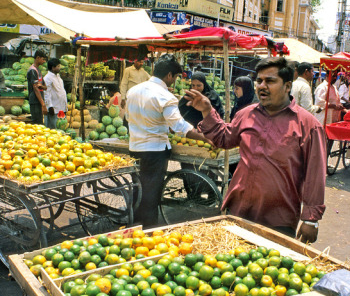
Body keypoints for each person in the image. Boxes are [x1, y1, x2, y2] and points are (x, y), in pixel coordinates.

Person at [184, 57, 327, 243]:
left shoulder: (308, 125)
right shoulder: (246, 114)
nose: (262, 86)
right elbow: (224, 138)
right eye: (259, 81)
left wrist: (311, 219)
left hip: (278, 219)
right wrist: (206, 110)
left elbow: (315, 174)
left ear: (287, 86)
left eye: (270, 81)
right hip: (237, 210)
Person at [126, 54, 211, 228]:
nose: (174, 80)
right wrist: (205, 138)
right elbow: (180, 126)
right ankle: (148, 231)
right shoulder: (165, 96)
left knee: (138, 189)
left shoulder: (133, 91)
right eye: (176, 77)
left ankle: (134, 226)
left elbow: (128, 118)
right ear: (169, 76)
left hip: (135, 147)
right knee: (151, 194)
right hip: (155, 151)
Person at [43, 58, 68, 129]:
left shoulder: (58, 77)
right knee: (53, 129)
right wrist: (50, 106)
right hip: (54, 108)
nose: (60, 68)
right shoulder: (47, 78)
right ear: (53, 68)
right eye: (58, 66)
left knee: (61, 128)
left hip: (61, 107)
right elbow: (46, 93)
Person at [27, 50, 47, 124]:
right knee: (37, 123)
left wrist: (41, 86)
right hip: (35, 100)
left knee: (40, 122)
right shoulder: (32, 70)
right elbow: (35, 88)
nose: (44, 61)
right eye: (43, 59)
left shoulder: (38, 70)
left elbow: (45, 87)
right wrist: (43, 104)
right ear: (38, 58)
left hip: (39, 99)